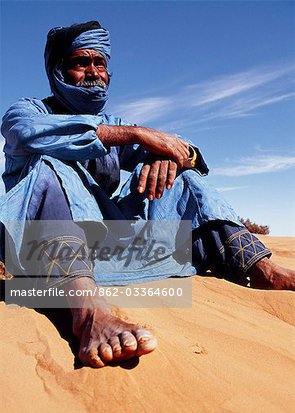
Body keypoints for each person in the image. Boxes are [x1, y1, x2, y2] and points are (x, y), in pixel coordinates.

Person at [1, 21, 294, 368]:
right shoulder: (30, 111)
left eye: (101, 63)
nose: (94, 72)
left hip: (106, 242)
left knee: (183, 180)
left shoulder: (113, 122)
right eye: (82, 63)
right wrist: (139, 134)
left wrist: (167, 158)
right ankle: (89, 314)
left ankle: (259, 268)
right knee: (50, 164)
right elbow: (27, 134)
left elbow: (190, 155)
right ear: (58, 70)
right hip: (43, 247)